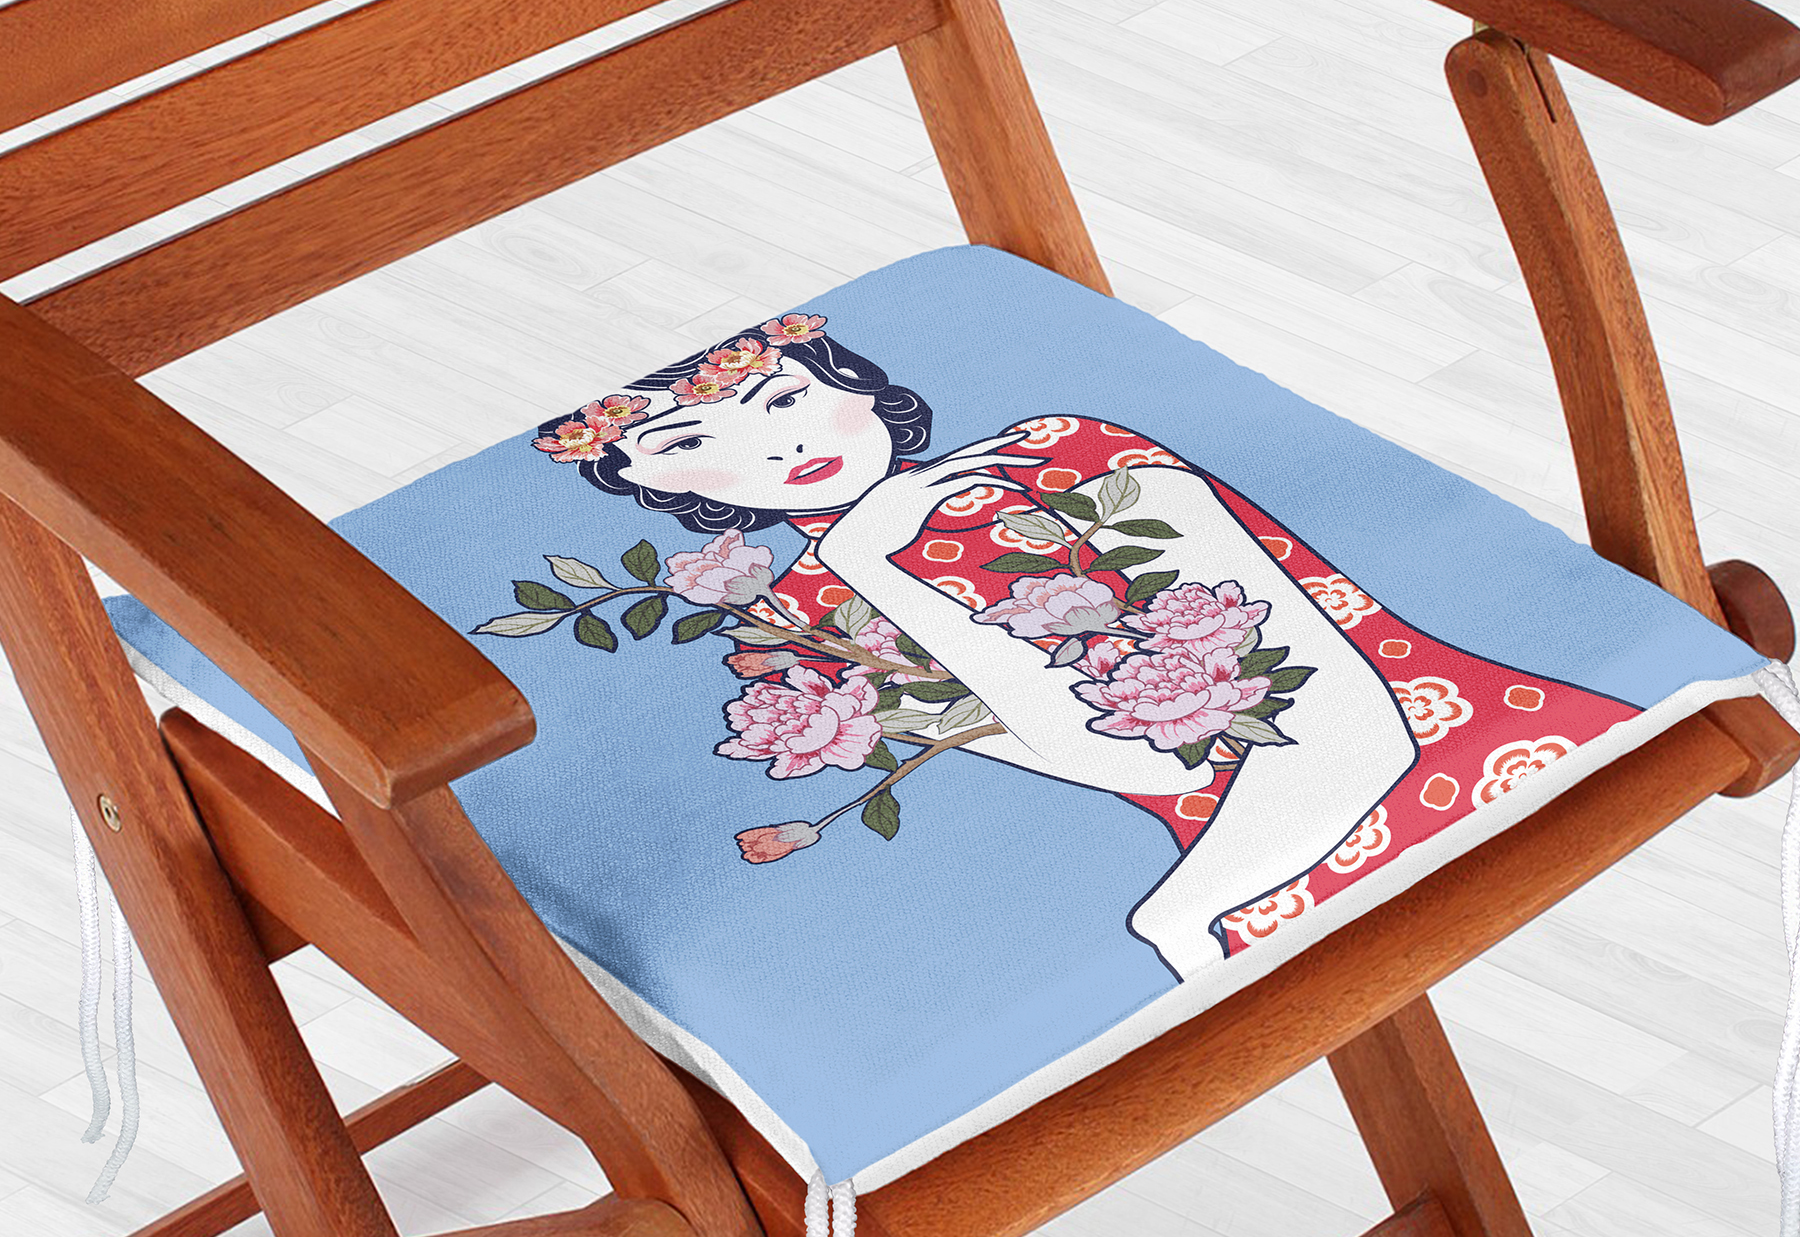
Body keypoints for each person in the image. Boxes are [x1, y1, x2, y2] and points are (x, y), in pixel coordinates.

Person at [528, 314, 1637, 979]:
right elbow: (1128, 760)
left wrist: (1187, 910)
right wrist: (873, 563)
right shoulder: (807, 624)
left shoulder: (1063, 454)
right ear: (649, 483)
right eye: (690, 441)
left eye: (784, 399)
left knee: (1185, 922)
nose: (776, 449)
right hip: (1241, 842)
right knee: (1182, 930)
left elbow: (1318, 702)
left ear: (851, 383)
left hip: (1426, 737)